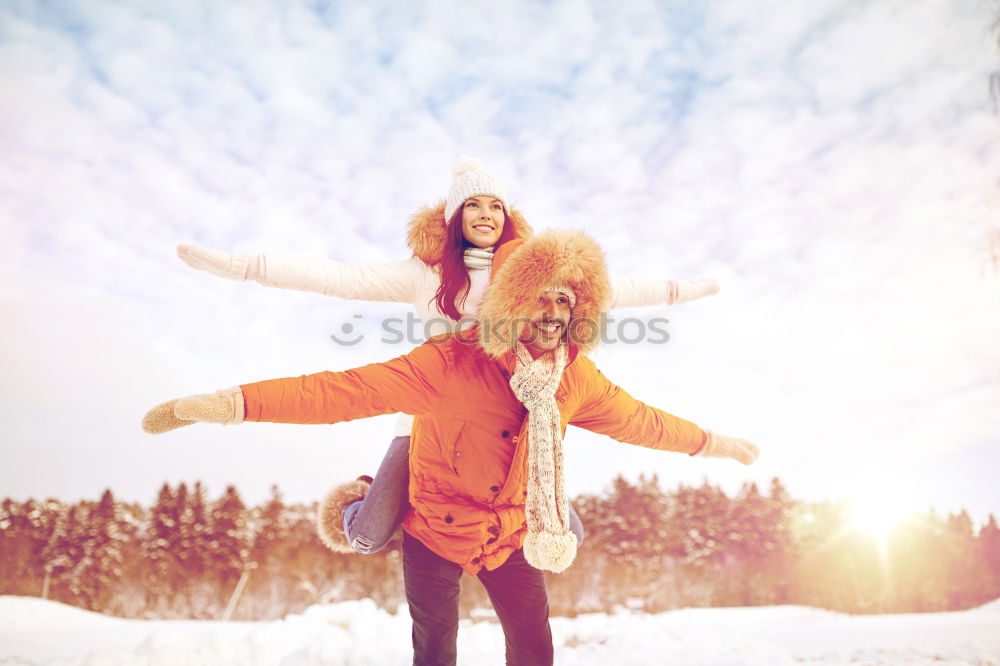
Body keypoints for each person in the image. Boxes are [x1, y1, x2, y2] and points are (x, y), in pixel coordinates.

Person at [143, 229, 759, 666]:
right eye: (540, 296)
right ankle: (367, 500)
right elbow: (342, 392)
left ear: (583, 310)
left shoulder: (576, 377)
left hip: (513, 532)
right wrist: (228, 404)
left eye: (566, 299)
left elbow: (642, 421)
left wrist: (714, 444)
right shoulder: (449, 362)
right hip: (433, 527)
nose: (553, 311)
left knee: (534, 645)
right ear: (510, 301)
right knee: (436, 646)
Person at [173, 157, 721, 557]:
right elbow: (337, 276)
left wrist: (683, 291)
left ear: (507, 216)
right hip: (432, 409)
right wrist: (245, 267)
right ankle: (367, 498)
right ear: (455, 217)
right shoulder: (425, 274)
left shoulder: (528, 268)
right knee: (366, 536)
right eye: (474, 205)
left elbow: (614, 288)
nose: (485, 213)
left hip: (515, 418)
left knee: (566, 535)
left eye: (496, 205)